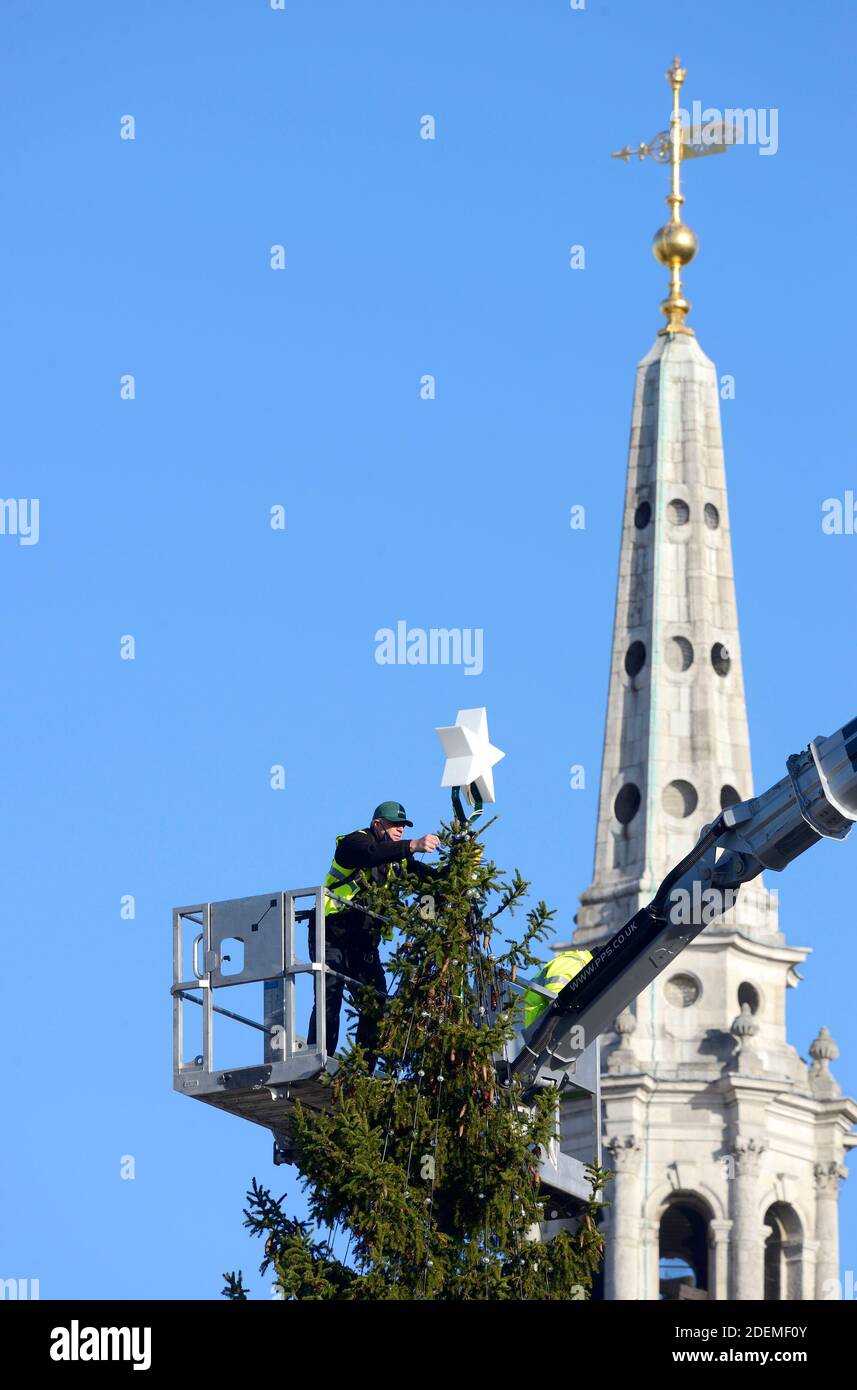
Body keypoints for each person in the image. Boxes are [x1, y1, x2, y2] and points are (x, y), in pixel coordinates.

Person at [307, 801, 441, 1067]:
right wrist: (413, 845)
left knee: (376, 999)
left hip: (363, 942)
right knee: (329, 996)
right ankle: (318, 1061)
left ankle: (363, 1069)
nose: (400, 830)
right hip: (332, 933)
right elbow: (370, 853)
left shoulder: (398, 861)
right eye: (395, 825)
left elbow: (429, 878)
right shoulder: (353, 843)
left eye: (403, 826)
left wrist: (459, 871)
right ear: (378, 824)